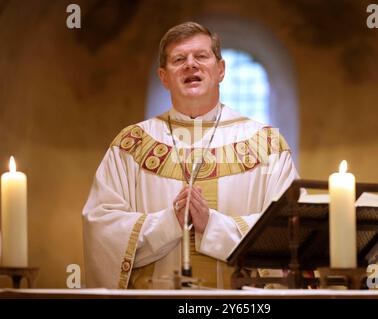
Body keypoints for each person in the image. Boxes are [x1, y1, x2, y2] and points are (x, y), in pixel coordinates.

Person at [82, 21, 299, 289]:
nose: (191, 64)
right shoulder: (130, 145)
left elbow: (287, 229)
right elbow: (101, 228)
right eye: (179, 59)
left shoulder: (267, 145)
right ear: (164, 77)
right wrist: (168, 223)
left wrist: (213, 226)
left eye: (201, 56)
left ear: (220, 70)